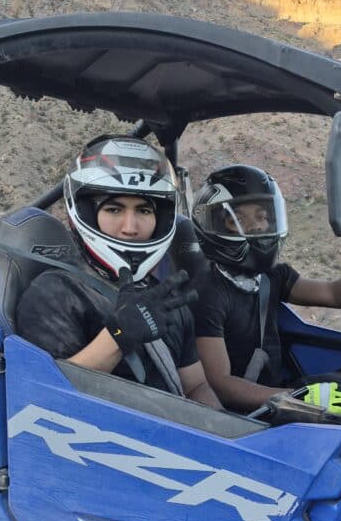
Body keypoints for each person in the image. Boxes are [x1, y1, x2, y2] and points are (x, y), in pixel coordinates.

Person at [16, 135, 221, 409]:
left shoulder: (165, 298)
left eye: (144, 210)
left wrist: (235, 442)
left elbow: (196, 385)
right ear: (87, 212)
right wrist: (119, 335)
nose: (130, 227)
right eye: (114, 209)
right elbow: (45, 397)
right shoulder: (55, 293)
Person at [191, 164, 341, 415]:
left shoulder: (270, 275)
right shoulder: (208, 292)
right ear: (213, 224)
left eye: (262, 216)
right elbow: (220, 384)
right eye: (238, 220)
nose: (256, 227)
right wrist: (296, 398)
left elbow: (333, 294)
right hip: (251, 415)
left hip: (281, 393)